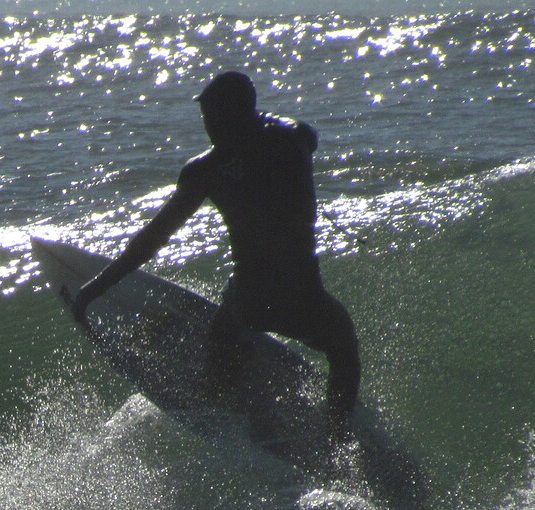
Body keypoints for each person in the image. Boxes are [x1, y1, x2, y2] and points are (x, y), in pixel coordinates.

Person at [67, 71, 359, 442]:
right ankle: (338, 435)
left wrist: (94, 290)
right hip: (302, 295)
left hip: (249, 300)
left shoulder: (204, 171)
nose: (208, 126)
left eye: (213, 117)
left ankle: (219, 393)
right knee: (343, 348)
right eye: (206, 118)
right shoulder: (292, 140)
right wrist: (261, 122)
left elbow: (152, 239)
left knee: (226, 336)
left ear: (230, 115)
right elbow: (308, 135)